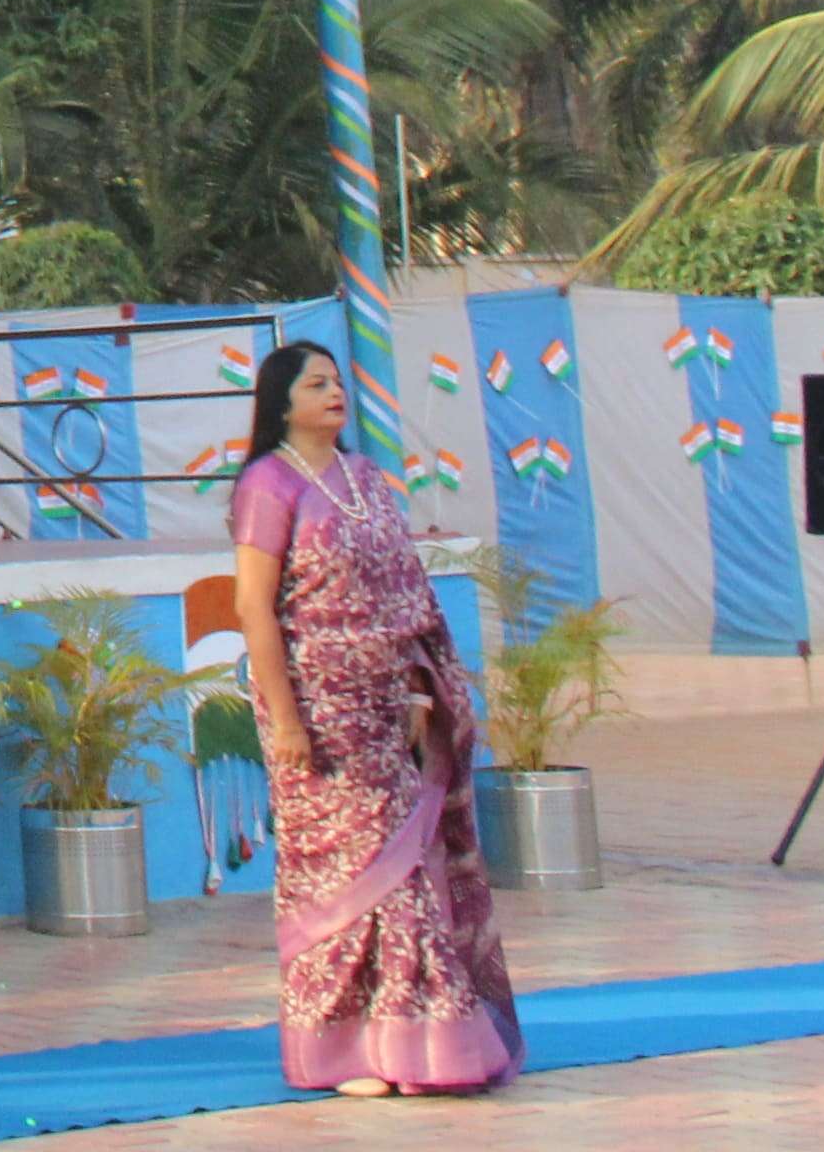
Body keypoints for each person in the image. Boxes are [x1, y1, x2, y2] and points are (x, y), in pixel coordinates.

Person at [234, 343, 520, 1098]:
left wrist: (423, 693)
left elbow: (409, 597)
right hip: (316, 712)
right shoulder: (266, 485)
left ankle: (415, 1040)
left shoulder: (365, 480)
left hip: (392, 704)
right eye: (316, 383)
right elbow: (254, 610)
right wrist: (288, 721)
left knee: (408, 869)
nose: (335, 393)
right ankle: (344, 1050)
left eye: (337, 382)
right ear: (281, 402)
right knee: (345, 877)